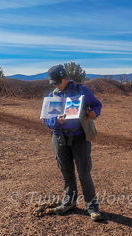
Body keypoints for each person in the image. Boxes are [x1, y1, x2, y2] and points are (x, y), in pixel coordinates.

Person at [43, 64, 103, 221]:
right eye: (53, 83)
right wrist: (56, 121)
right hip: (59, 138)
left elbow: (97, 104)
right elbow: (47, 121)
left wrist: (94, 113)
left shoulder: (81, 90)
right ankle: (69, 202)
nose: (56, 85)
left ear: (65, 77)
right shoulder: (52, 95)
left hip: (79, 137)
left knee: (84, 172)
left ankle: (92, 207)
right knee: (67, 172)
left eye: (58, 81)